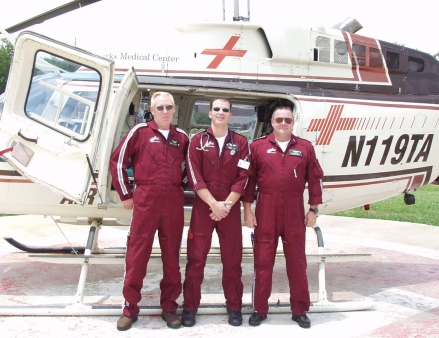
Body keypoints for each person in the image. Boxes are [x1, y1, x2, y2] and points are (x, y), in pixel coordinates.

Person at [110, 92, 189, 331]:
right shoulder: (140, 132)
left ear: (174, 109)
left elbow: (193, 166)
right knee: (137, 255)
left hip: (173, 202)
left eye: (169, 107)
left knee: (172, 258)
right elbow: (118, 162)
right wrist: (125, 194)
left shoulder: (182, 137)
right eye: (160, 107)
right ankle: (130, 308)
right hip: (145, 200)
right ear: (152, 110)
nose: (165, 111)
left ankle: (170, 308)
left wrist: (180, 185)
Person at [243, 106, 323, 328]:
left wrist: (313, 209)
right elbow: (249, 181)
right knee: (263, 261)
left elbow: (316, 179)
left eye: (287, 120)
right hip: (266, 207)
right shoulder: (258, 147)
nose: (283, 123)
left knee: (297, 261)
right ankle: (259, 308)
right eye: (279, 119)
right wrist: (248, 210)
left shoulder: (305, 147)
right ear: (272, 121)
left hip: (294, 208)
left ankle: (299, 309)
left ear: (293, 121)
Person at [181, 98, 250, 327]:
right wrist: (214, 204)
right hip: (204, 209)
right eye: (217, 109)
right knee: (196, 260)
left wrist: (226, 206)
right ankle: (190, 308)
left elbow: (243, 177)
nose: (221, 112)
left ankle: (234, 307)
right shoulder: (197, 141)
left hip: (229, 209)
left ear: (231, 115)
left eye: (225, 110)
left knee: (232, 262)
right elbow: (194, 176)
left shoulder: (240, 142)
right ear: (210, 113)